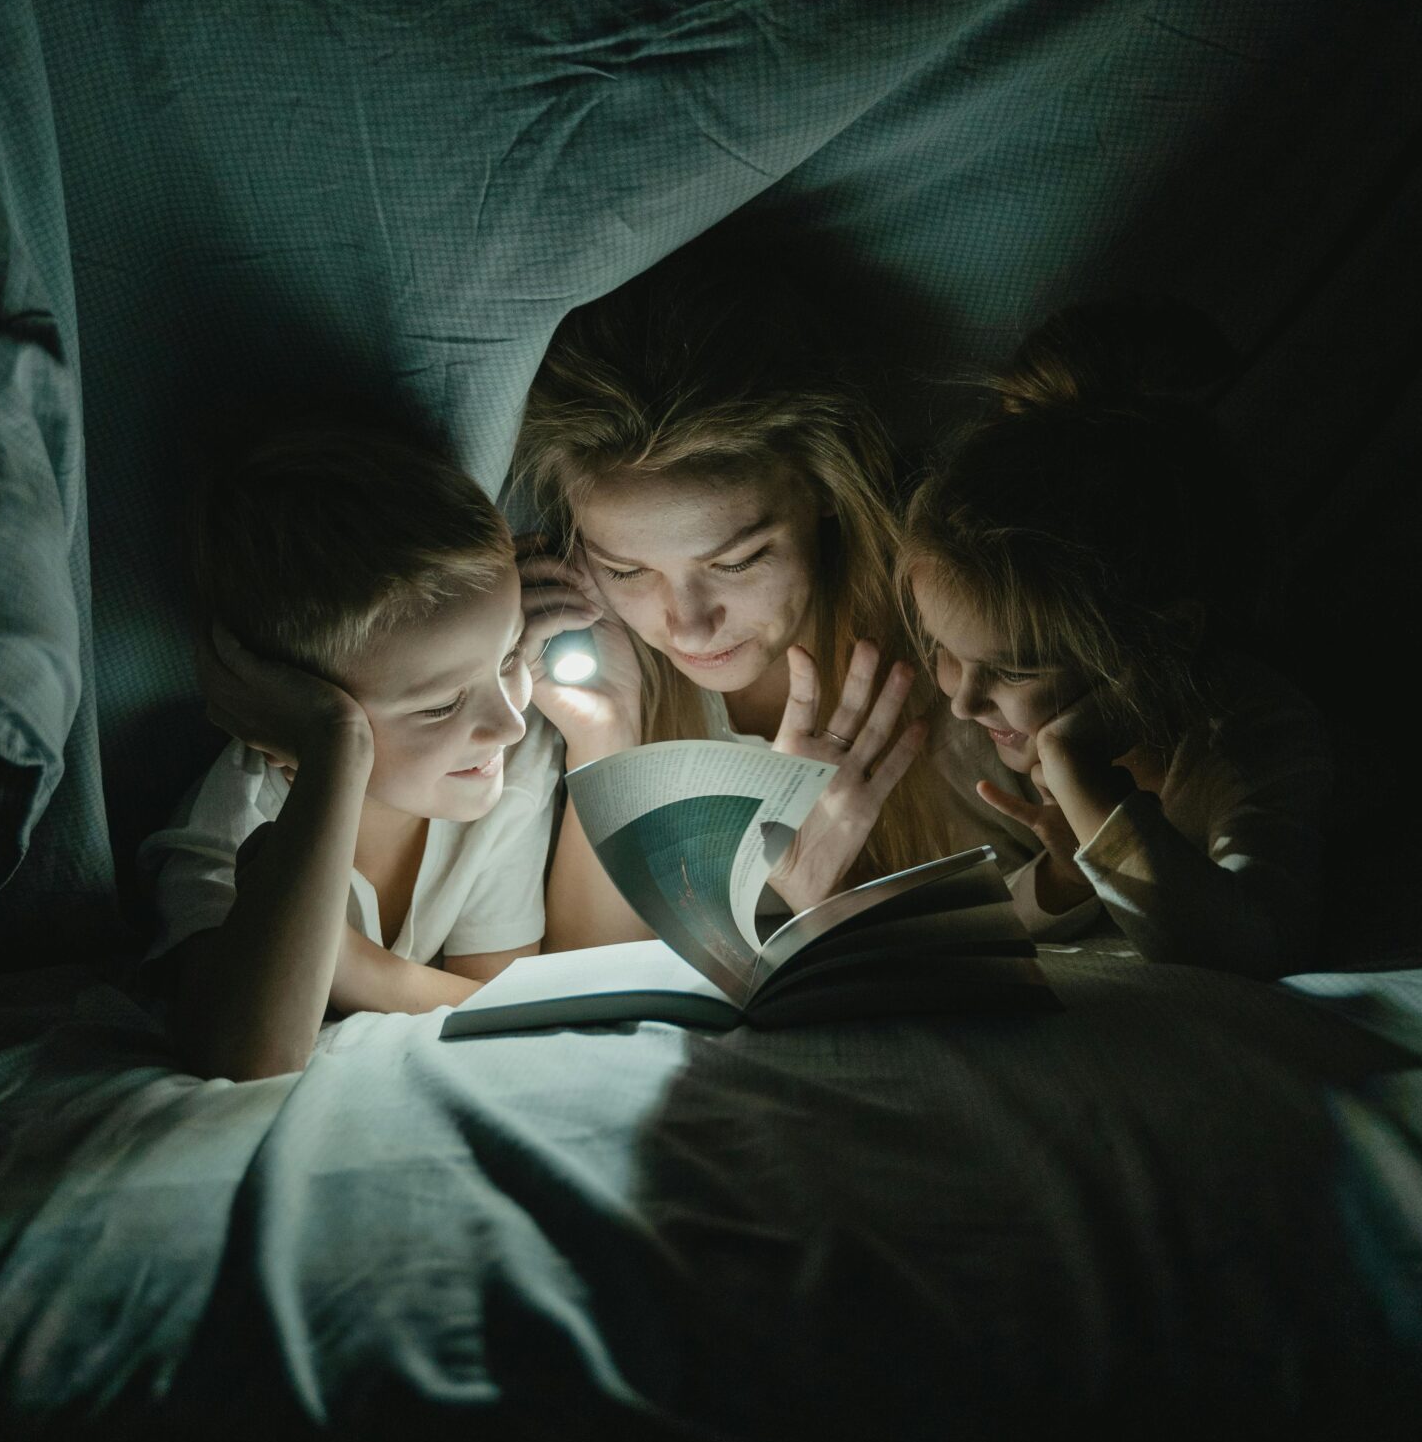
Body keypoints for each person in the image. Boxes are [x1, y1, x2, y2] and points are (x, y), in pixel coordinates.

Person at [511, 249, 947, 950]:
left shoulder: (948, 656)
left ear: (825, 492)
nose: (685, 624)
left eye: (737, 560)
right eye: (625, 569)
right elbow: (586, 966)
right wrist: (605, 741)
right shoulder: (606, 672)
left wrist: (824, 900)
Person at [897, 300, 1330, 977]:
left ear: (1164, 640)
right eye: (946, 652)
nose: (963, 700)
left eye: (1013, 669)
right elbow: (972, 924)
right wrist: (1065, 877)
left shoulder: (1249, 729)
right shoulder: (973, 736)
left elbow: (1256, 943)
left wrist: (1090, 787)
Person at [140, 409, 561, 1079]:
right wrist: (333, 745)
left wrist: (352, 968)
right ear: (285, 717)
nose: (509, 721)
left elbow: (506, 1001)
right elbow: (248, 1056)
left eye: (508, 656)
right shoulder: (234, 816)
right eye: (439, 704)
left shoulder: (508, 760)